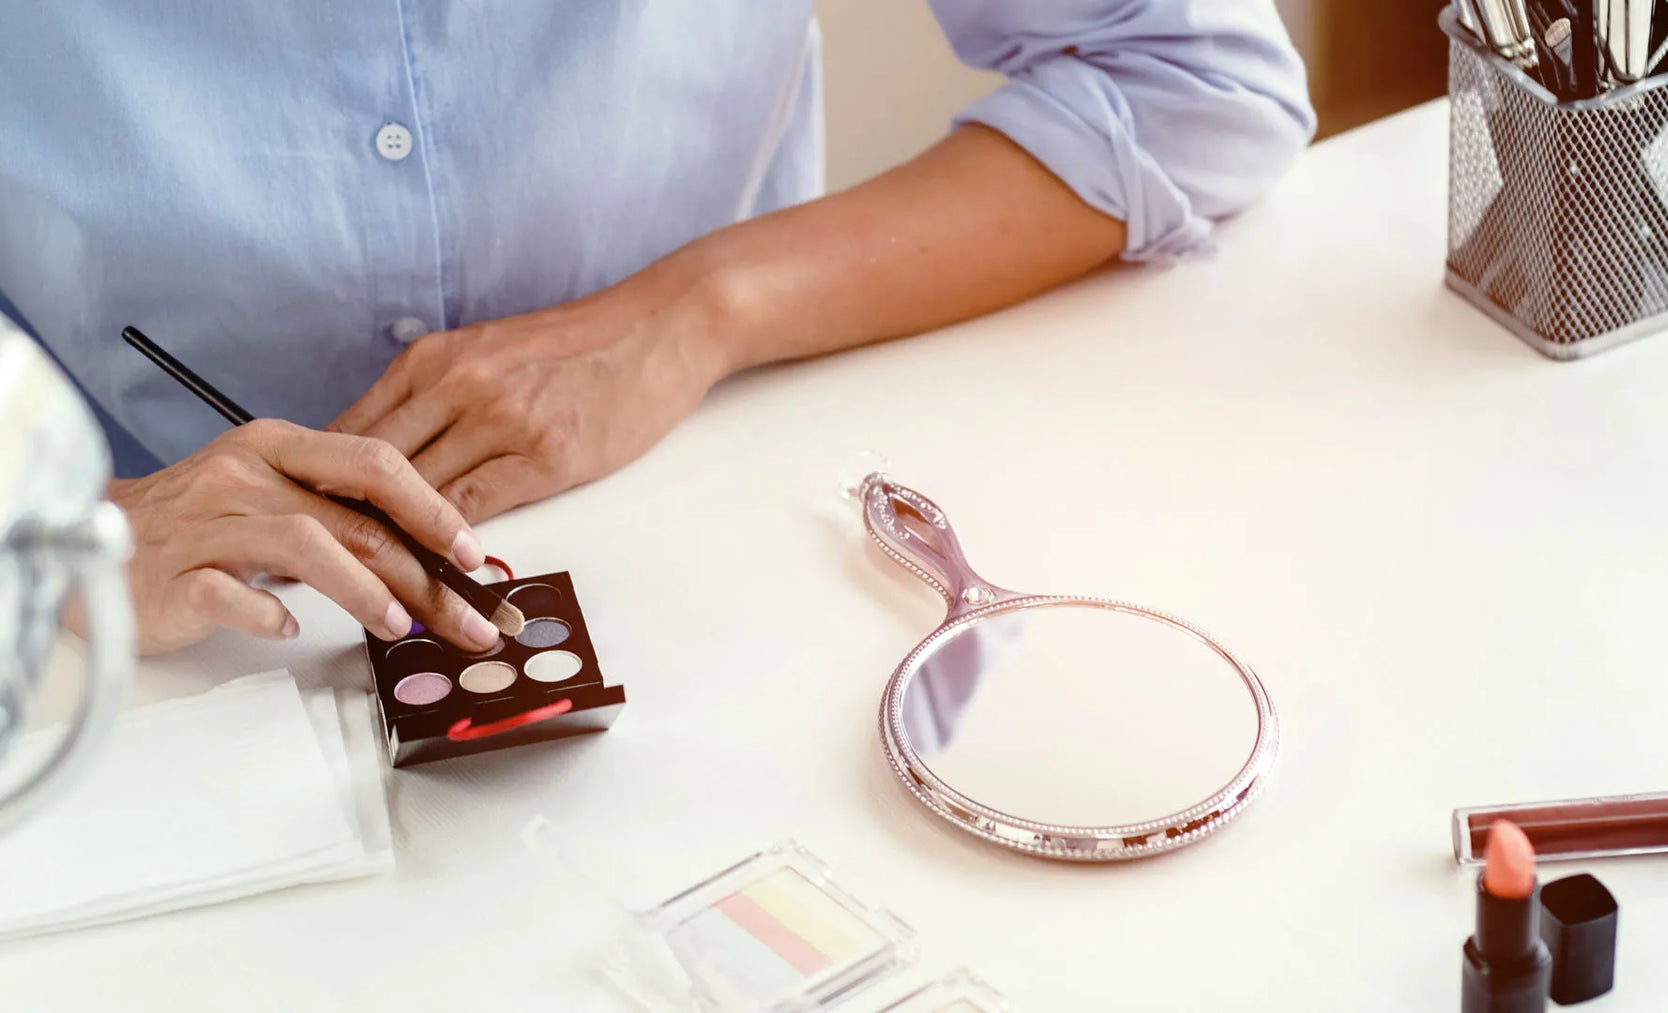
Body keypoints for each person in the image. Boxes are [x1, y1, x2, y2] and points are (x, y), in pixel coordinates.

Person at [0, 2, 1314, 655]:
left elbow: (1199, 80)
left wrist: (698, 310)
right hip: (134, 645)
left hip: (733, 559)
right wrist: (61, 541)